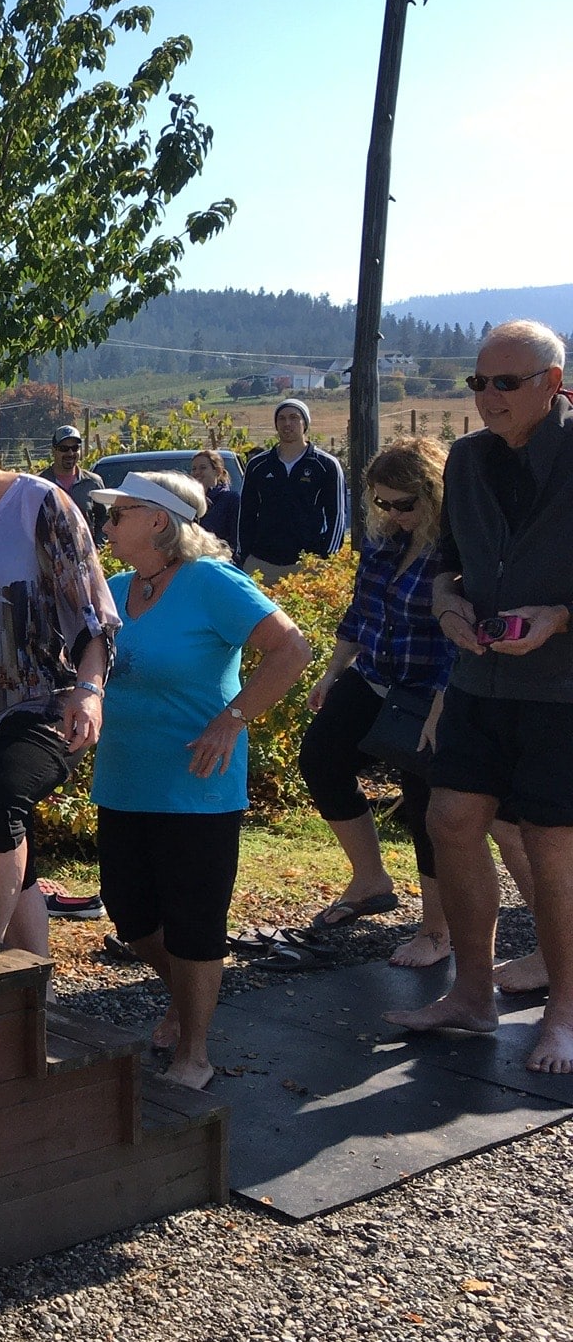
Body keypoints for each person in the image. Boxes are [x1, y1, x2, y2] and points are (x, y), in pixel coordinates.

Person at [389, 320, 573, 1075]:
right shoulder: (464, 460)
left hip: (562, 691)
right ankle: (473, 994)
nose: (487, 398)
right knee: (450, 818)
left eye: (505, 383)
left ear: (553, 383)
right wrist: (447, 607)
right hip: (478, 679)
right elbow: (449, 565)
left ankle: (564, 1012)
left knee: (552, 848)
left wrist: (562, 616)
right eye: (477, 383)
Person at [90, 471, 311, 1089]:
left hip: (196, 783)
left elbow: (291, 649)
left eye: (118, 514)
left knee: (193, 920)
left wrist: (232, 718)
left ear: (158, 521)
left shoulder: (212, 583)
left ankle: (195, 1051)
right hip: (125, 778)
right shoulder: (114, 588)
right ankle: (187, 1000)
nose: (106, 525)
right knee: (131, 917)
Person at [0, 373, 118, 956]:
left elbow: (95, 619)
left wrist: (89, 691)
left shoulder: (41, 505)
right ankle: (35, 994)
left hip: (40, 705)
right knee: (9, 848)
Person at [297, 437, 460, 965]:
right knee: (321, 758)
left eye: (405, 504)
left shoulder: (454, 546)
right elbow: (361, 610)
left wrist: (441, 703)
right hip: (373, 674)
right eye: (382, 502)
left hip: (427, 686)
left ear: (433, 494)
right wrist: (332, 671)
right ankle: (370, 880)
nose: (393, 513)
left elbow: (457, 634)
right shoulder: (386, 538)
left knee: (423, 803)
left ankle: (437, 931)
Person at [237, 398, 346, 582]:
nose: (287, 423)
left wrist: (325, 556)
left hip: (308, 564)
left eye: (294, 418)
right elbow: (246, 514)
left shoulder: (326, 465)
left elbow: (337, 516)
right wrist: (245, 556)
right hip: (262, 563)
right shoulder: (258, 465)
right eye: (281, 418)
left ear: (305, 423)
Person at [38, 425, 105, 540]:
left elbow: (104, 519)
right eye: (64, 449)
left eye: (75, 448)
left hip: (87, 555)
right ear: (53, 451)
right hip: (51, 556)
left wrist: (98, 547)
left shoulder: (93, 482)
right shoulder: (40, 483)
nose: (70, 453)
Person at [189, 448, 239, 551]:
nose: (197, 472)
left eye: (203, 468)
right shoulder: (187, 501)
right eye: (194, 469)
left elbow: (236, 538)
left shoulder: (231, 499)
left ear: (217, 471)